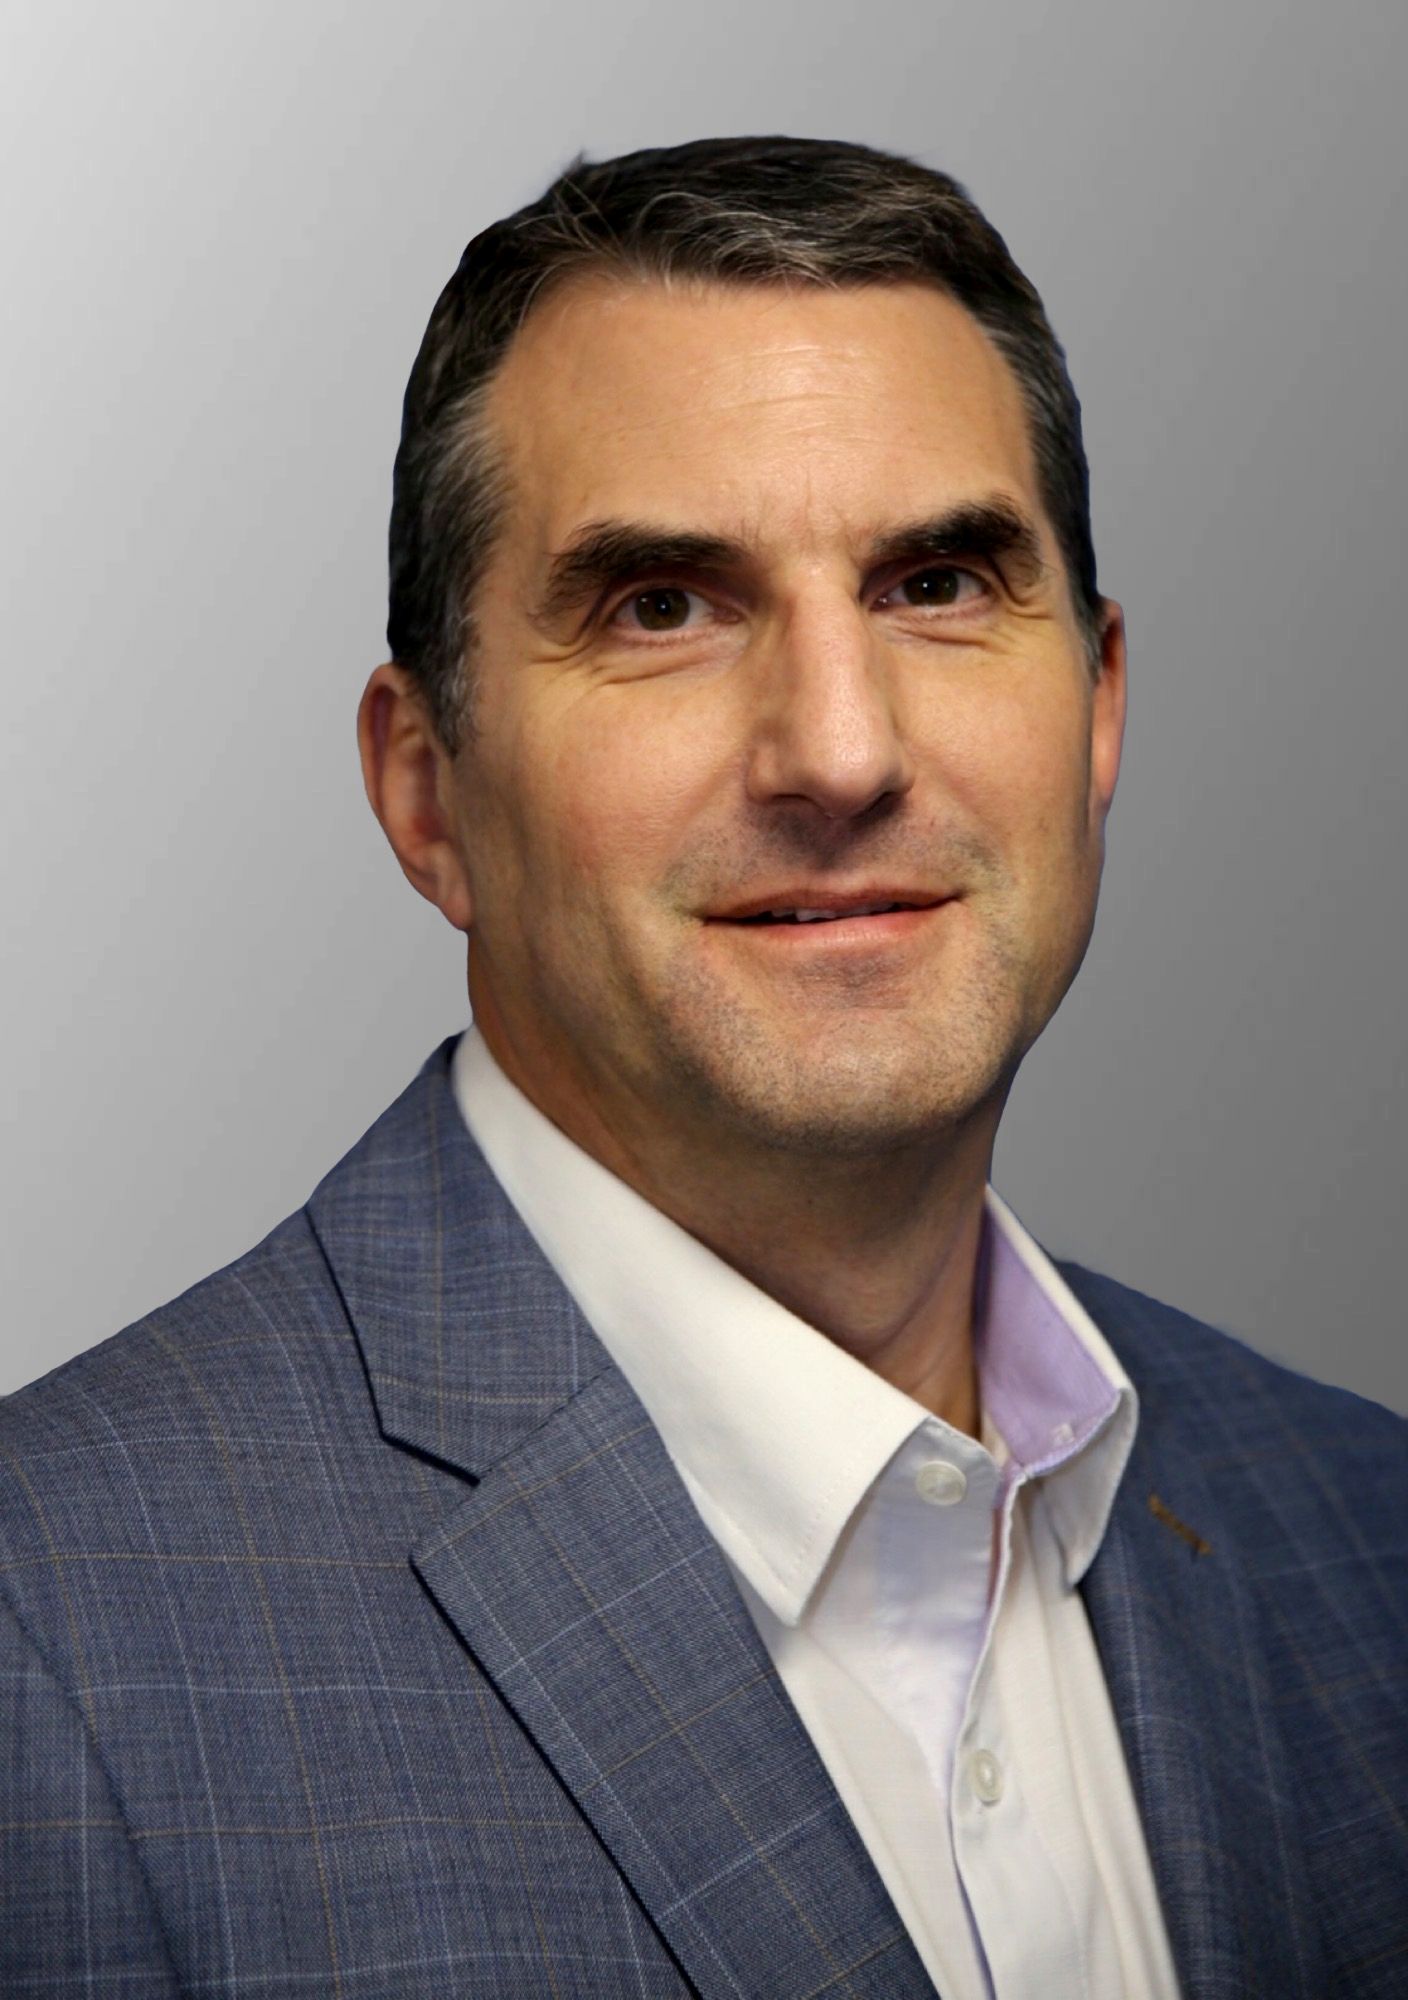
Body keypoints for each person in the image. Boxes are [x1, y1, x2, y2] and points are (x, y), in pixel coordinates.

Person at [1, 135, 1402, 2000]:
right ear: (428, 794)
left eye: (938, 582)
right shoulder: (54, 1643)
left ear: (1099, 708)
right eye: (665, 605)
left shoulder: (1361, 1531)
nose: (840, 750)